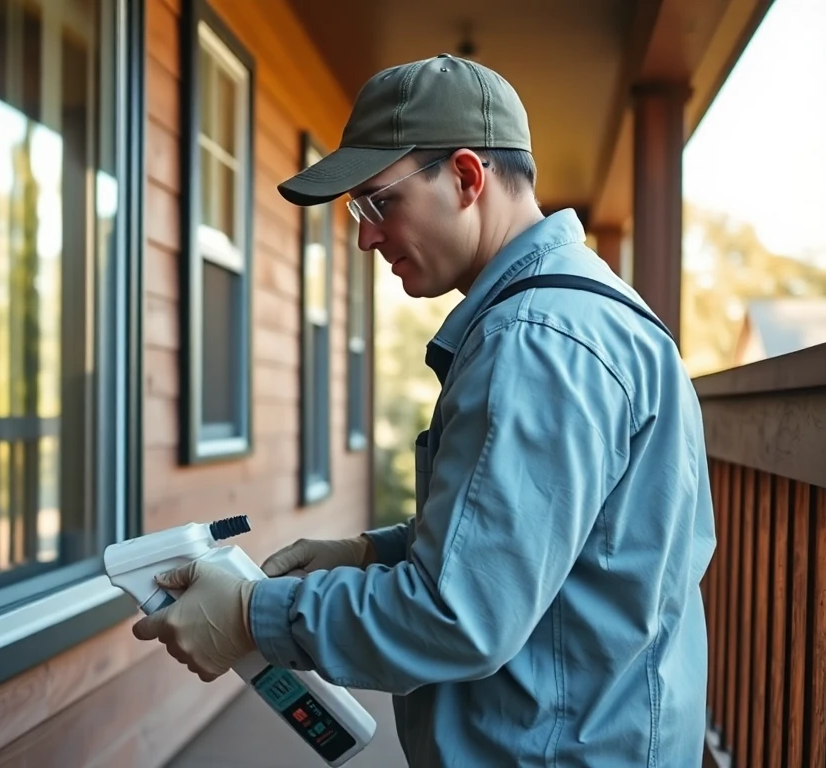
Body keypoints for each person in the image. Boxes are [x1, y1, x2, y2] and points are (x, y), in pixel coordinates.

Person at [131, 53, 716, 766]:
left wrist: (252, 615)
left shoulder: (534, 343)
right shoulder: (584, 312)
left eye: (379, 202)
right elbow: (551, 545)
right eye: (357, 211)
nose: (364, 237)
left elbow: (457, 617)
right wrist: (375, 551)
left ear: (467, 178)